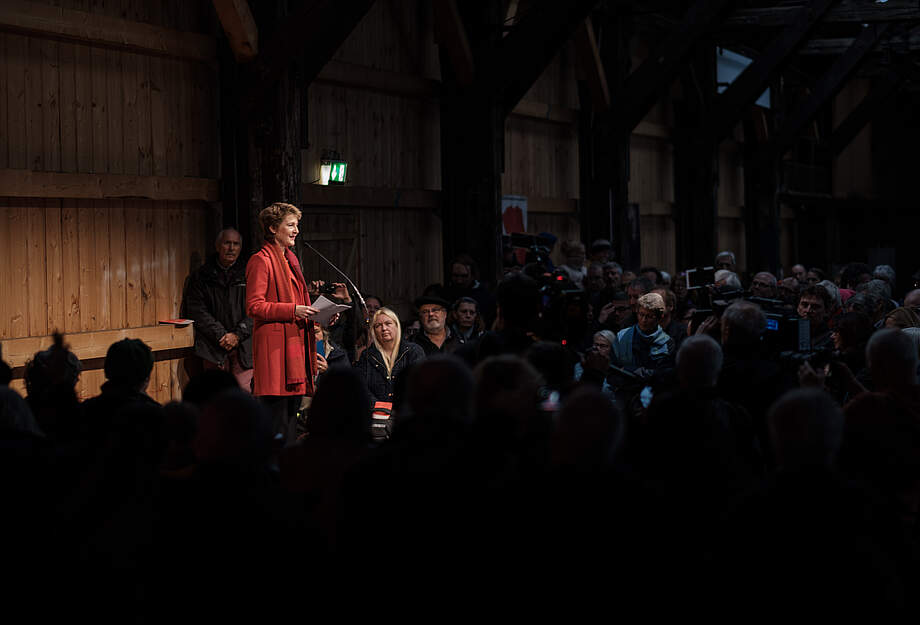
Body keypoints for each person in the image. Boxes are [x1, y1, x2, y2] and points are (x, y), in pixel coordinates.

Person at [246, 202, 319, 445]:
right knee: (277, 427)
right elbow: (254, 306)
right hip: (276, 356)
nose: (296, 230)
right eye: (290, 225)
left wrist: (319, 314)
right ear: (272, 228)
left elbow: (298, 303)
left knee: (290, 424)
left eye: (296, 225)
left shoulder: (291, 260)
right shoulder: (261, 261)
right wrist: (293, 310)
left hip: (294, 351)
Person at [183, 228, 253, 391]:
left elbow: (256, 309)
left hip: (244, 347)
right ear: (217, 246)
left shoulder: (249, 274)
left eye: (236, 244)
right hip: (212, 347)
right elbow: (197, 310)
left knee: (243, 394)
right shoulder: (202, 276)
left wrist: (237, 335)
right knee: (215, 395)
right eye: (227, 243)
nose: (231, 248)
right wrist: (221, 335)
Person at [356, 307, 425, 407]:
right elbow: (361, 387)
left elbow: (419, 385)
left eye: (388, 323)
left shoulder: (413, 351)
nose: (384, 328)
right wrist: (381, 406)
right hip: (376, 413)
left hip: (406, 412)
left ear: (397, 326)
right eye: (378, 326)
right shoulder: (366, 355)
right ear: (374, 331)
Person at [612, 292, 675, 379]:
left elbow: (665, 373)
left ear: (659, 317)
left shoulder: (667, 342)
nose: (643, 320)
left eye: (649, 316)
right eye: (641, 314)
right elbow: (613, 367)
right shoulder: (622, 336)